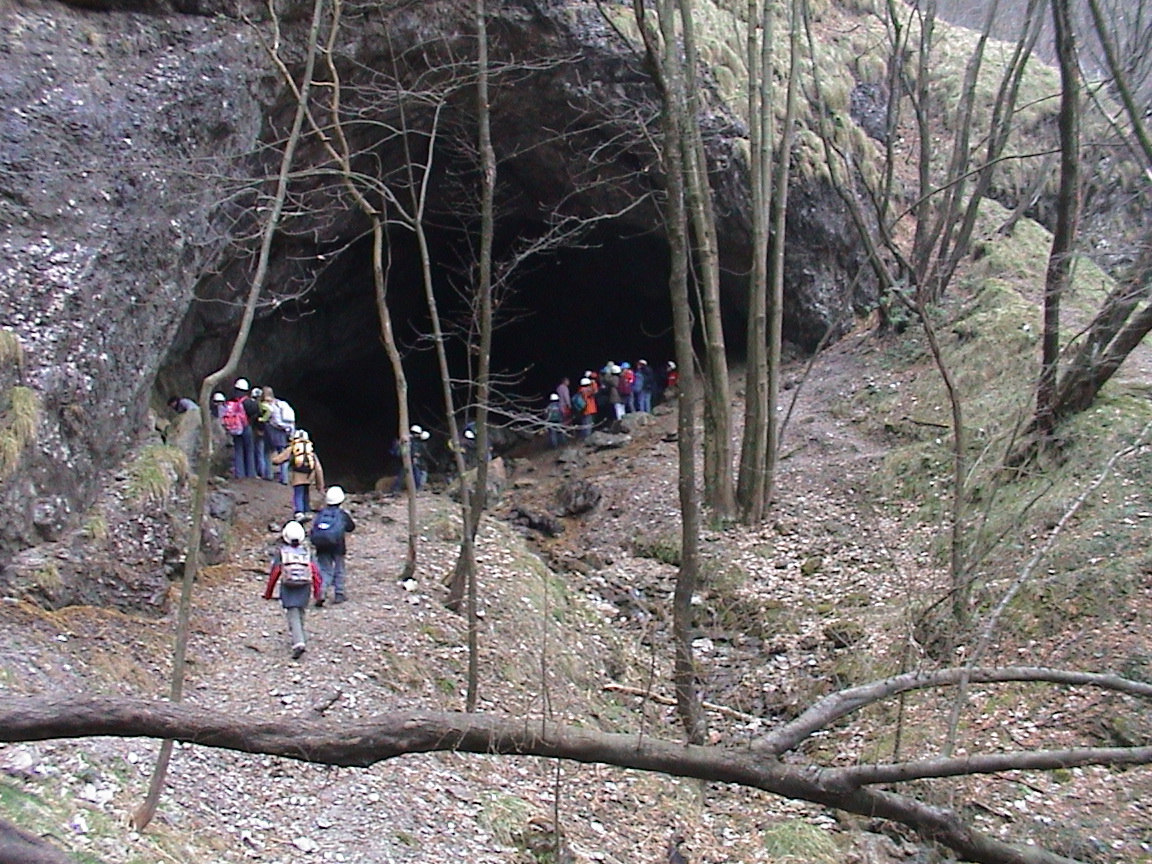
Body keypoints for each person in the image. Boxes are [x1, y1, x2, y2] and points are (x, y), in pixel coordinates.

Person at [263, 520, 321, 660]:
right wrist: (318, 592)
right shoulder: (307, 552)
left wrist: (268, 592)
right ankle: (300, 634)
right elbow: (316, 573)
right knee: (300, 609)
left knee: (292, 612)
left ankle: (298, 642)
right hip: (305, 586)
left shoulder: (282, 553)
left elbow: (275, 573)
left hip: (288, 586)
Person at [310, 486, 356, 607]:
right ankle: (339, 593)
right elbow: (351, 527)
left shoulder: (321, 514)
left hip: (322, 546)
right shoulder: (342, 514)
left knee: (325, 570)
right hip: (338, 546)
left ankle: (322, 591)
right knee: (339, 569)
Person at [272, 429, 325, 519]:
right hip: (309, 476)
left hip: (298, 475)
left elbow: (281, 458)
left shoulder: (294, 447)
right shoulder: (310, 450)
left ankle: (299, 512)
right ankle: (306, 510)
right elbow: (318, 468)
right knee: (305, 492)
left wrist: (274, 461)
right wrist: (320, 485)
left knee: (298, 493)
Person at [222, 379, 255, 478]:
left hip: (235, 428)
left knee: (238, 450)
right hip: (245, 426)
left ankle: (239, 473)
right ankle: (250, 473)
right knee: (249, 450)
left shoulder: (231, 401)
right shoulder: (247, 401)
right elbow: (255, 411)